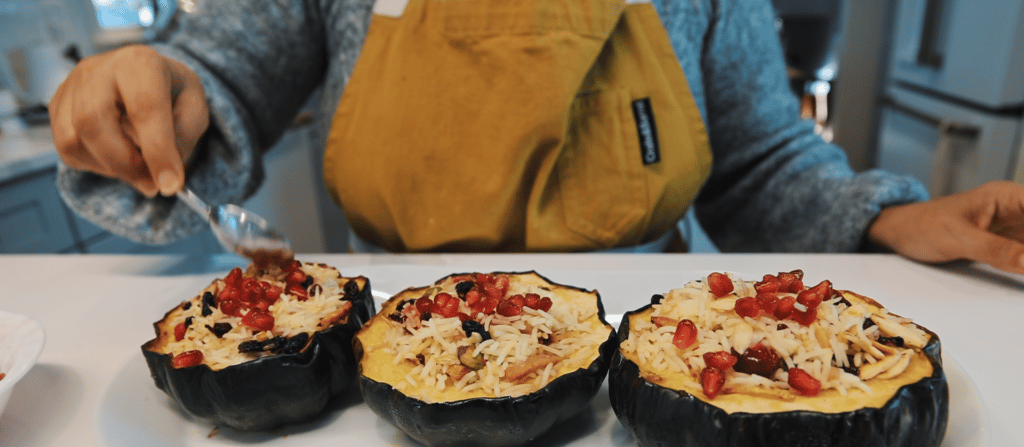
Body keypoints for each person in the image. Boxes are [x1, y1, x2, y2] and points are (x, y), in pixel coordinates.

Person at [49, 0, 1024, 272]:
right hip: (399, 341)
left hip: (652, 352)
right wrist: (158, 91)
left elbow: (761, 158)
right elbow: (221, 66)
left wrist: (883, 221)